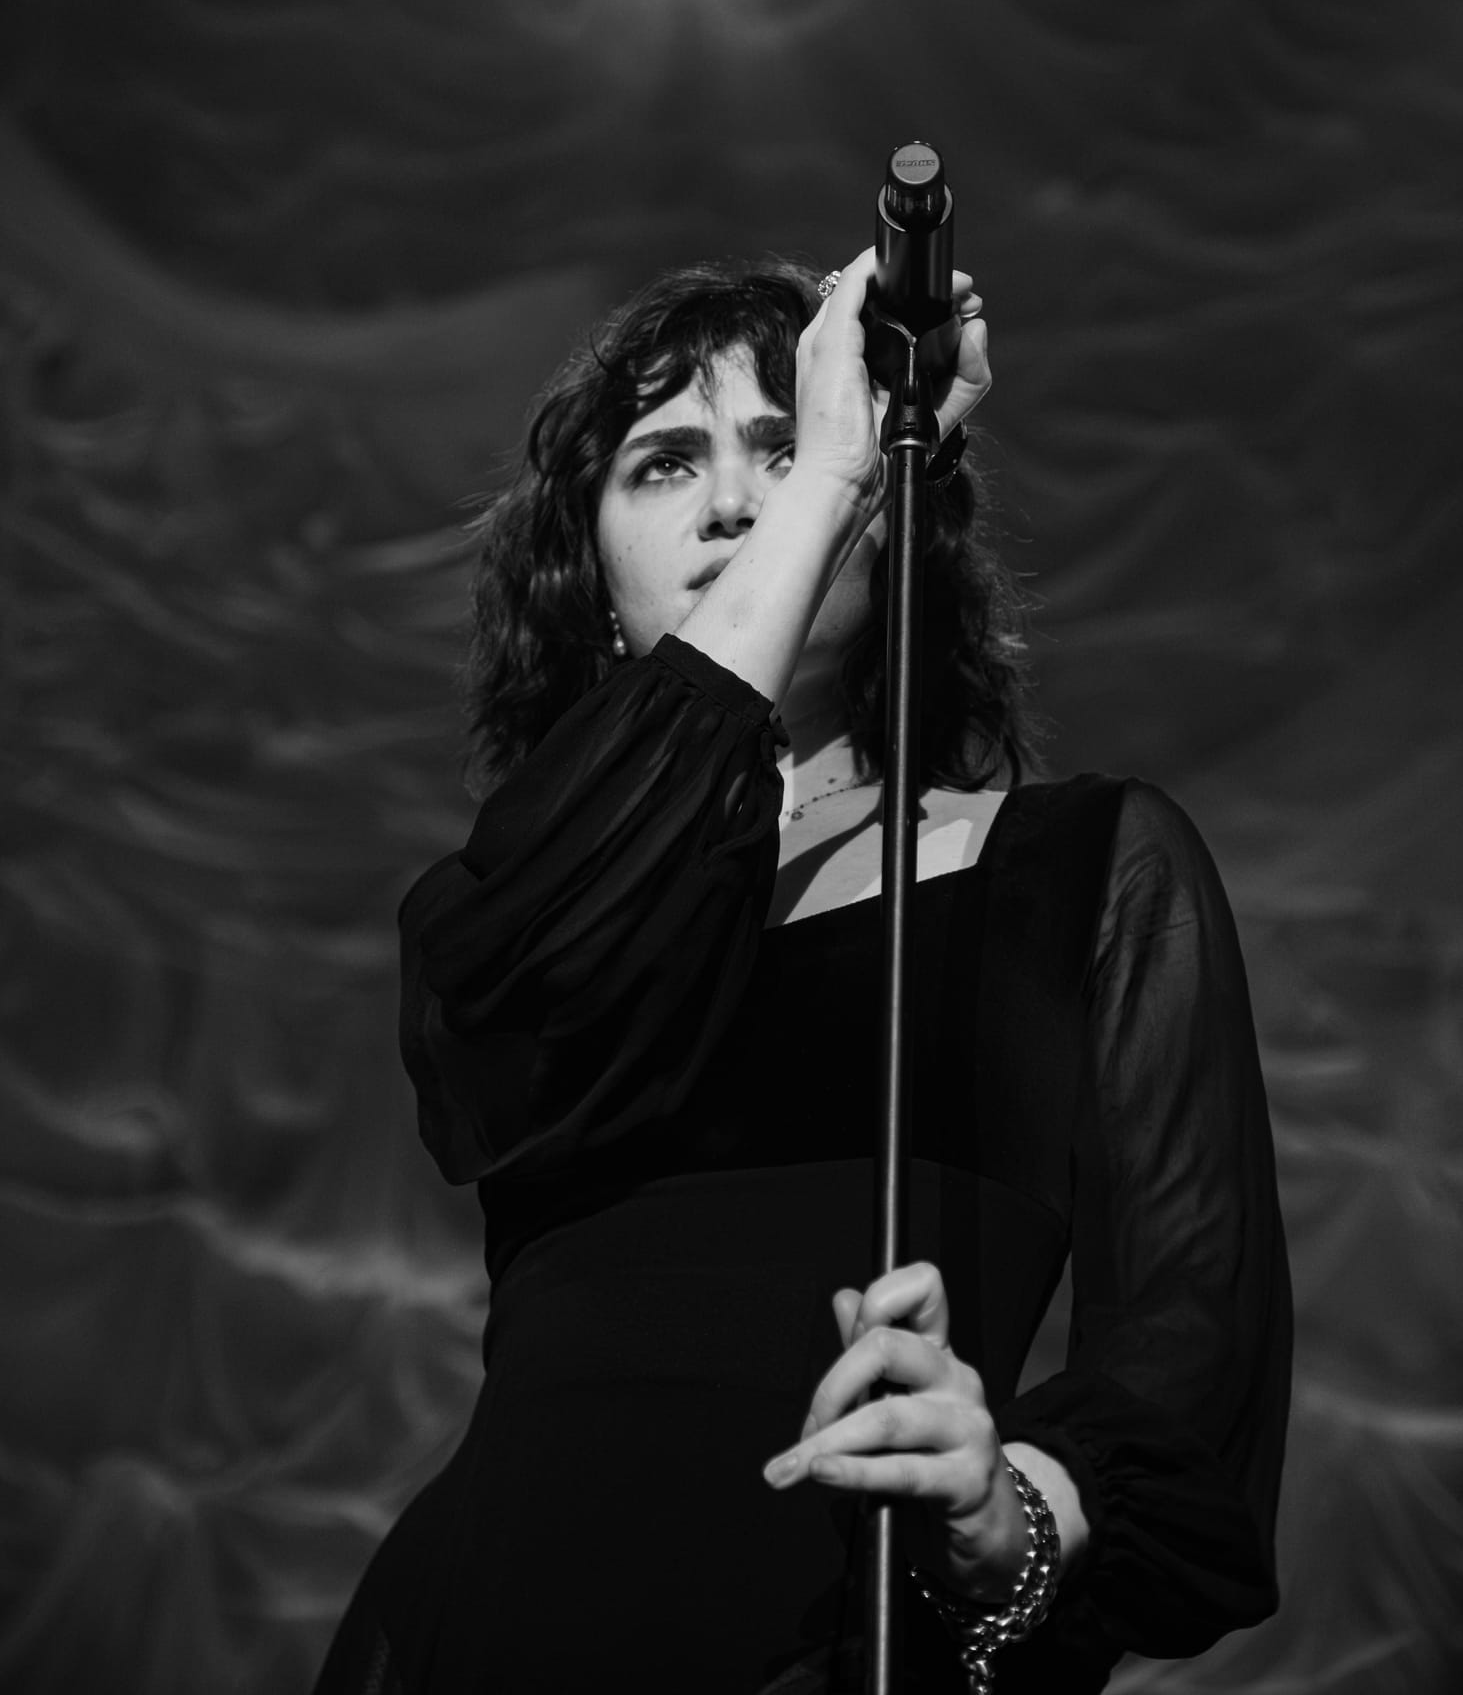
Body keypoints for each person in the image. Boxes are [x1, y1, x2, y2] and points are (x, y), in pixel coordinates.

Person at [312, 247, 1292, 1694]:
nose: (734, 501)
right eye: (665, 462)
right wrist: (831, 478)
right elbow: (520, 1024)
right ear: (593, 594)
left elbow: (1190, 1346)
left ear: (897, 537)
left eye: (784, 443)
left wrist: (1012, 1512)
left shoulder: (1084, 866)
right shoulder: (517, 904)